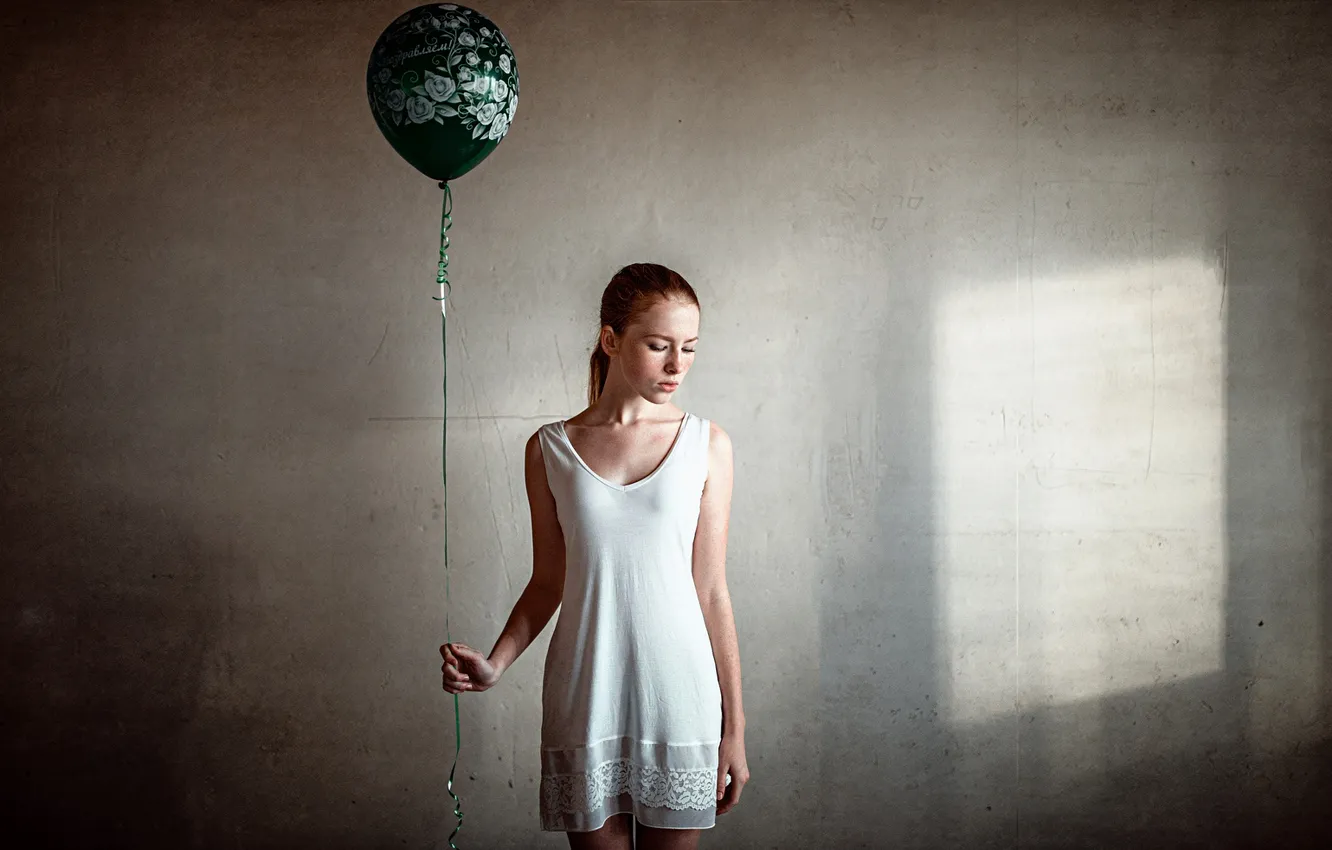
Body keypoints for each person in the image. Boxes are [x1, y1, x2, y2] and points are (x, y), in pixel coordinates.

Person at [440, 263, 749, 849]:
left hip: (680, 697)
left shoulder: (708, 444)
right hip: (587, 693)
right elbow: (547, 581)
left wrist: (736, 727)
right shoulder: (550, 448)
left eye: (689, 348)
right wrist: (496, 665)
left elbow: (711, 589)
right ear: (611, 340)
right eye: (658, 345)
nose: (677, 364)